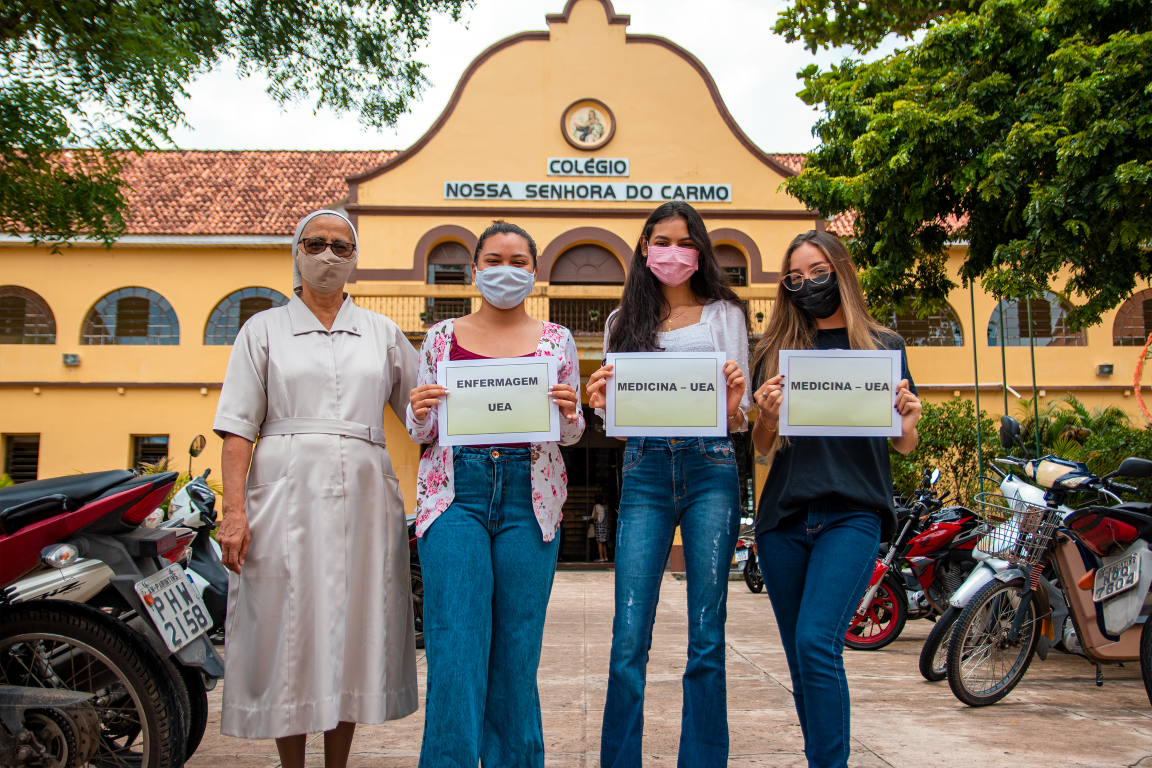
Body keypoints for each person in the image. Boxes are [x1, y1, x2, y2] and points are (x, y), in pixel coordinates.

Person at [214, 210, 419, 768]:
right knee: (290, 626)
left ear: (356, 261)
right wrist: (234, 513)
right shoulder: (262, 330)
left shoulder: (382, 333)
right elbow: (236, 428)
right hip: (284, 494)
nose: (329, 255)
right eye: (317, 244)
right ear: (296, 252)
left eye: (341, 246)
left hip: (366, 494)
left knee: (353, 626)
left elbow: (428, 417)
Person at [406, 220, 585, 767]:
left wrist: (571, 413)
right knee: (456, 645)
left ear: (534, 271)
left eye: (518, 261)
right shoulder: (440, 337)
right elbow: (424, 433)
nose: (505, 270)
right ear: (475, 267)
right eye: (494, 260)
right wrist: (419, 412)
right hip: (455, 495)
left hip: (529, 499)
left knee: (516, 650)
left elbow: (571, 435)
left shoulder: (557, 340)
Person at [586, 200, 750, 768]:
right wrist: (600, 402)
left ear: (699, 250)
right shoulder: (619, 323)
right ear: (644, 249)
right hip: (645, 469)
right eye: (661, 241)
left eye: (683, 242)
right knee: (629, 634)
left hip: (712, 468)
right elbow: (617, 419)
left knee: (707, 632)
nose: (672, 253)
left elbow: (740, 413)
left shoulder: (726, 314)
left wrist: (733, 401)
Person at [749, 230, 921, 768]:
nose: (808, 285)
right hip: (784, 518)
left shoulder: (884, 347)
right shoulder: (775, 351)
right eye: (795, 278)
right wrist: (768, 417)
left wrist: (910, 419)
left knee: (817, 643)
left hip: (853, 512)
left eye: (818, 272)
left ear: (842, 272)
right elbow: (761, 448)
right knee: (803, 661)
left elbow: (902, 440)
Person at [593, 494, 609, 562]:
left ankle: (601, 557)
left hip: (599, 526)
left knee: (599, 542)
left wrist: (591, 518)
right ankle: (605, 556)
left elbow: (595, 517)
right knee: (604, 542)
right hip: (605, 525)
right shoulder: (606, 507)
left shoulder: (597, 507)